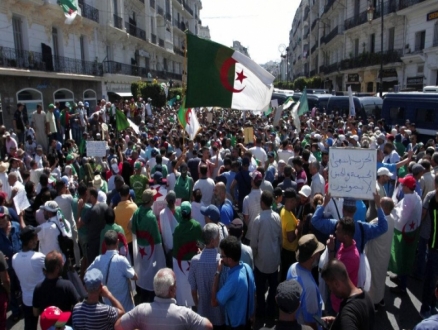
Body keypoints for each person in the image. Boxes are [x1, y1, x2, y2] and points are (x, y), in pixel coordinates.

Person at [114, 268, 213, 330]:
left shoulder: (141, 310)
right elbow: (208, 326)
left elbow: (118, 326)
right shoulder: (184, 313)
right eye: (175, 284)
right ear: (171, 290)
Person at [212, 236, 255, 329]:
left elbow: (214, 302)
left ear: (230, 260)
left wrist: (217, 273)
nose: (221, 259)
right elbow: (253, 292)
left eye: (222, 256)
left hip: (235, 326)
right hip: (247, 321)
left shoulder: (234, 280)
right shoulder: (247, 268)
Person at [88, 230, 137, 312]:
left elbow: (88, 274)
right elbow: (134, 277)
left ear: (105, 243)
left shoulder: (98, 260)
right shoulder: (122, 260)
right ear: (117, 242)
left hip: (108, 310)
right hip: (125, 308)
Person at [250, 190, 282, 318]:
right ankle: (271, 310)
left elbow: (254, 244)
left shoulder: (258, 220)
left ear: (262, 203)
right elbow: (280, 239)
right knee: (273, 288)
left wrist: (255, 256)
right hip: (274, 261)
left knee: (260, 288)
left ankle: (261, 311)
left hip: (261, 262)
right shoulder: (277, 217)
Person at [131, 189, 166, 303]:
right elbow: (157, 239)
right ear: (151, 200)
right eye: (153, 198)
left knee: (143, 269)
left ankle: (142, 294)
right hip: (150, 248)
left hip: (141, 247)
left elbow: (131, 228)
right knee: (151, 271)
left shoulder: (136, 212)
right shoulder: (151, 217)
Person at [389, 175, 422, 294]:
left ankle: (402, 286)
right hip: (412, 231)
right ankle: (400, 277)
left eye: (403, 185)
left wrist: (393, 209)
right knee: (405, 257)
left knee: (403, 257)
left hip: (405, 233)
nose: (401, 186)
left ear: (408, 187)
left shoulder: (408, 199)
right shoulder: (415, 196)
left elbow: (402, 218)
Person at [188, 223, 224, 328]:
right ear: (213, 241)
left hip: (202, 314)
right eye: (218, 236)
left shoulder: (195, 261)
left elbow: (193, 290)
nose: (220, 237)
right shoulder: (221, 261)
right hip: (219, 314)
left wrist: (198, 305)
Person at [321, 260, 374, 330]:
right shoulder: (366, 296)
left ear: (336, 284)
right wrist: (338, 321)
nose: (330, 289)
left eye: (329, 285)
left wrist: (344, 320)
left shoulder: (347, 314)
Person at [286, 234, 324, 329]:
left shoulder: (293, 267)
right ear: (312, 257)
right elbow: (311, 323)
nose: (319, 255)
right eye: (318, 253)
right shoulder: (309, 288)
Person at [12, 225, 45, 330]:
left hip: (27, 300)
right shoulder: (38, 257)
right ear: (30, 241)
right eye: (35, 237)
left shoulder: (14, 258)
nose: (37, 238)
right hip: (43, 299)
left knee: (30, 326)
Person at [365, 197, 395, 310]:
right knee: (381, 279)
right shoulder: (392, 219)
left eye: (380, 205)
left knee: (373, 279)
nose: (378, 206)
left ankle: (374, 303)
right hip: (385, 254)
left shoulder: (377, 222)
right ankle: (380, 298)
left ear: (385, 208)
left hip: (375, 255)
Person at [326, 216, 360, 313]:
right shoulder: (343, 245)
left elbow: (333, 274)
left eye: (338, 231)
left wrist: (331, 249)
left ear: (346, 236)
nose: (335, 232)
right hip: (334, 298)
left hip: (340, 305)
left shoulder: (352, 258)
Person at [172, 201, 202, 307]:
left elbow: (175, 247)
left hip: (179, 262)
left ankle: (182, 304)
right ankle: (195, 302)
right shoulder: (196, 225)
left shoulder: (177, 228)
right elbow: (201, 242)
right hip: (193, 261)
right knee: (193, 283)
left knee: (181, 285)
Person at [32, 251, 80, 317]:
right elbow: (78, 307)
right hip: (65, 325)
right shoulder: (67, 286)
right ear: (57, 268)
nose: (63, 264)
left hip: (48, 326)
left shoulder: (38, 288)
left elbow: (36, 312)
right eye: (61, 263)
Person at [78, 187, 108, 264]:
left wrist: (79, 210)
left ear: (92, 197)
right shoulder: (105, 206)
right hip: (104, 241)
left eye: (87, 195)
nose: (86, 196)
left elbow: (78, 225)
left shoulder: (90, 211)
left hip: (93, 243)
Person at [280, 188, 299, 281]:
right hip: (290, 253)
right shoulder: (288, 217)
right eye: (295, 200)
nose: (296, 202)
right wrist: (298, 228)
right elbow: (291, 238)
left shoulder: (285, 210)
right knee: (287, 277)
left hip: (285, 250)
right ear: (291, 201)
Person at [114, 184, 138, 258]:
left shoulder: (115, 210)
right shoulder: (134, 207)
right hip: (134, 241)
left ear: (119, 194)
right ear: (129, 194)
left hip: (122, 244)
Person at [242, 170, 263, 245]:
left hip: (250, 235)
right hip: (261, 235)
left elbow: (246, 219)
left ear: (252, 181)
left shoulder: (247, 199)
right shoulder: (264, 195)